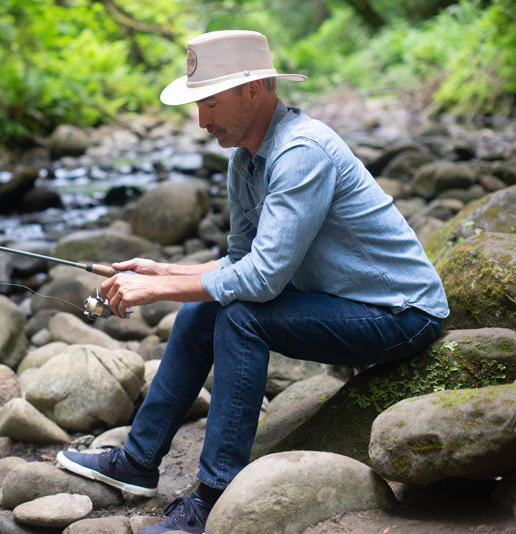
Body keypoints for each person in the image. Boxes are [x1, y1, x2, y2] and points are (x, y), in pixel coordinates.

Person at [56, 30, 449, 534]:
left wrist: (157, 291)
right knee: (202, 309)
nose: (202, 121)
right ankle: (138, 462)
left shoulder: (301, 152)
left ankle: (216, 496)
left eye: (212, 103)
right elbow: (241, 261)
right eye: (199, 105)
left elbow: (260, 282)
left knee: (241, 318)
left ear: (255, 90)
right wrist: (160, 272)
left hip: (402, 313)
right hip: (340, 300)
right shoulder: (245, 162)